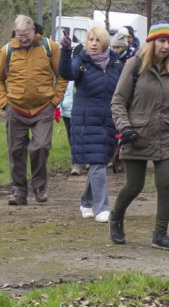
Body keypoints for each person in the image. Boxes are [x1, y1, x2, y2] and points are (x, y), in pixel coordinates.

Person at [109, 21, 169, 250]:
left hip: (168, 134)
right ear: (151, 42)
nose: (166, 46)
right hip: (137, 134)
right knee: (134, 185)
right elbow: (118, 101)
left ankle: (160, 234)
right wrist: (124, 127)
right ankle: (116, 217)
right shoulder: (135, 65)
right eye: (162, 41)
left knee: (166, 185)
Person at [0, 15, 67, 205]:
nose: (23, 39)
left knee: (40, 147)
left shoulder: (50, 47)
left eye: (26, 35)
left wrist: (54, 101)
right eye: (19, 35)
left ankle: (40, 187)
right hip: (15, 108)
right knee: (16, 151)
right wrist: (4, 102)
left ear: (34, 30)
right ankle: (19, 191)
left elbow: (62, 76)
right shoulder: (7, 50)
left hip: (43, 108)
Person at [59, 26, 123, 223]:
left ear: (104, 43)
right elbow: (65, 73)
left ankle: (86, 202)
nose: (93, 44)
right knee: (97, 163)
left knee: (100, 162)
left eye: (98, 40)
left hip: (109, 121)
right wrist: (65, 52)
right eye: (91, 40)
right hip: (86, 122)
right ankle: (102, 208)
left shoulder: (116, 64)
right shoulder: (81, 61)